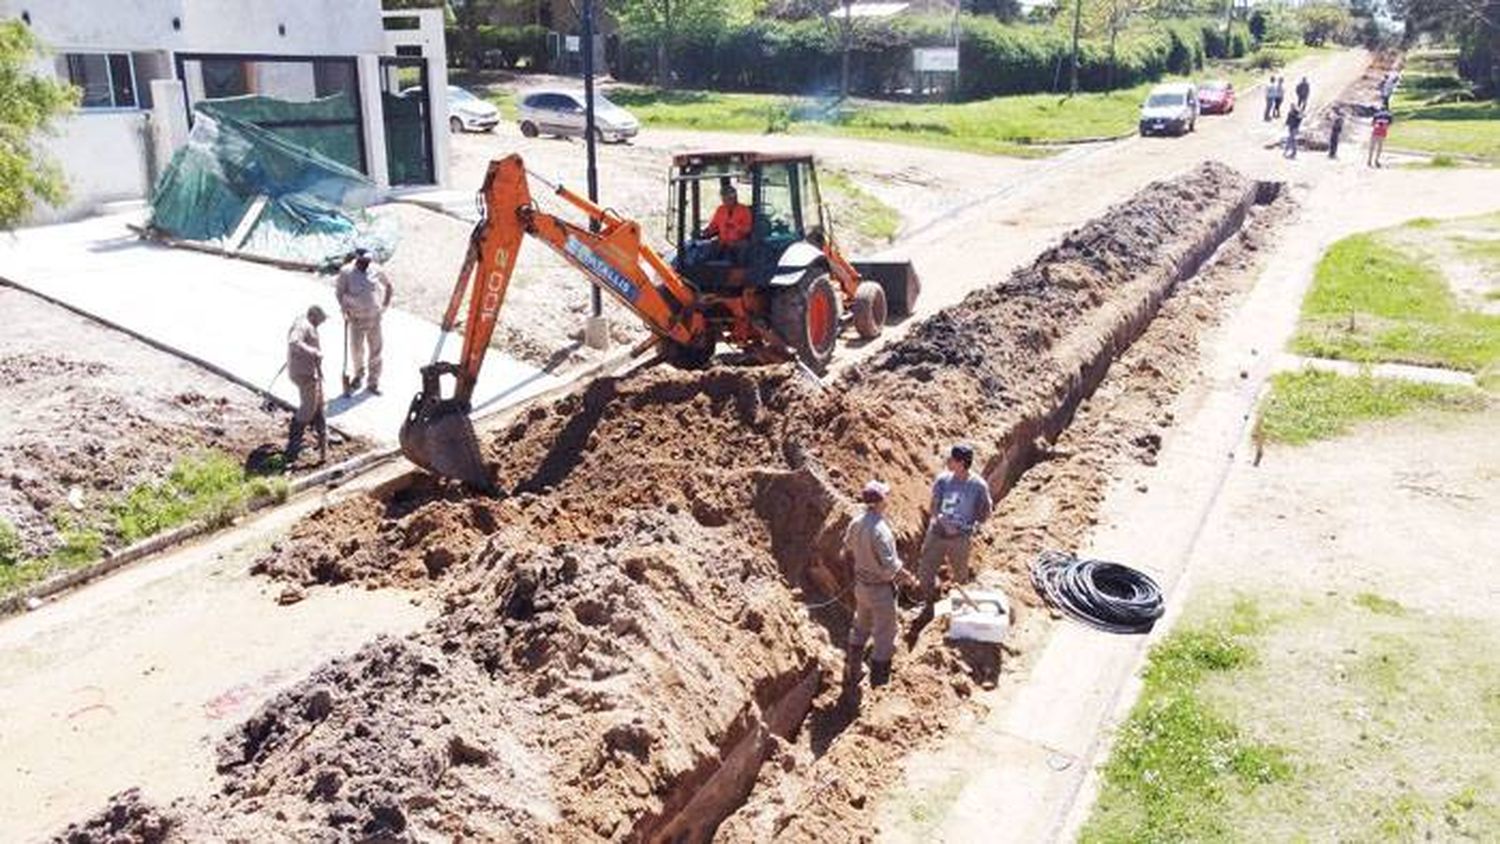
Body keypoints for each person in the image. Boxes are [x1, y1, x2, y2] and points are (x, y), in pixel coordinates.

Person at [843, 480, 916, 688]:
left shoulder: (856, 522)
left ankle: (853, 671)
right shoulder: (881, 530)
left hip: (861, 588)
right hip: (879, 591)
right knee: (885, 635)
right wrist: (908, 578)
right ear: (879, 501)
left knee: (860, 627)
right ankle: (879, 685)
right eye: (886, 496)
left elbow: (847, 545)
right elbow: (891, 566)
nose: (888, 499)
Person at [918, 444, 992, 604]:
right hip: (937, 533)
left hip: (960, 538)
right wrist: (943, 521)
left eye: (952, 459)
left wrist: (971, 526)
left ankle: (957, 606)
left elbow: (985, 512)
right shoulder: (943, 480)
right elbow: (933, 506)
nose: (948, 461)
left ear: (962, 463)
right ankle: (931, 602)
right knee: (925, 573)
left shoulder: (978, 486)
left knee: (960, 577)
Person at [335, 247, 392, 395]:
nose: (367, 264)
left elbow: (389, 286)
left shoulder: (376, 269)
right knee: (357, 351)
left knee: (376, 351)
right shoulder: (346, 272)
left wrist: (385, 305)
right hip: (356, 318)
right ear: (357, 259)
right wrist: (344, 311)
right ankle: (358, 376)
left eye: (368, 261)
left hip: (374, 318)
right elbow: (339, 293)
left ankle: (373, 382)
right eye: (364, 261)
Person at [285, 305, 328, 466]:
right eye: (320, 321)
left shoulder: (308, 324)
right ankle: (292, 448)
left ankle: (322, 445)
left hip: (311, 374)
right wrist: (313, 352)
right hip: (304, 375)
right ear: (313, 316)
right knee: (308, 408)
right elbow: (294, 342)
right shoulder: (303, 325)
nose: (321, 324)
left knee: (319, 405)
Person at [702, 182, 753, 260]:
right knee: (704, 251)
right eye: (724, 198)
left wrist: (735, 227)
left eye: (729, 198)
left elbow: (748, 229)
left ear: (735, 197)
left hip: (738, 243)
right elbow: (714, 225)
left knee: (741, 248)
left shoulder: (744, 210)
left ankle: (738, 268)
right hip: (722, 243)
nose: (726, 201)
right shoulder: (720, 210)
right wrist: (707, 231)